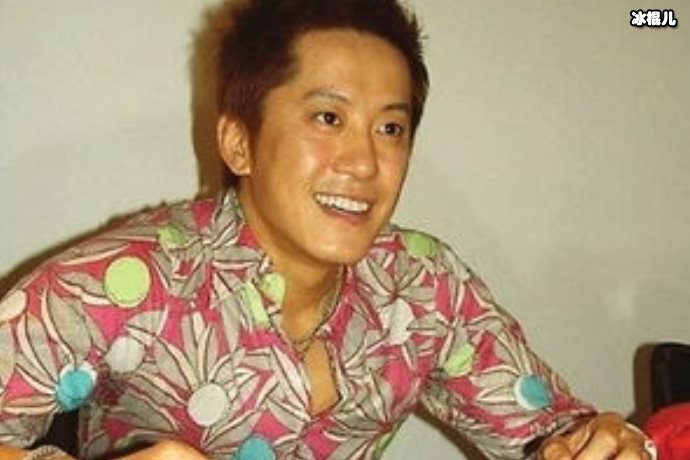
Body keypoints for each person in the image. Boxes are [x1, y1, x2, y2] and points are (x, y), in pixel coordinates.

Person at [0, 0, 656, 459]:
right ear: (239, 143)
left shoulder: (424, 287)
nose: (365, 162)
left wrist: (602, 444)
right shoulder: (121, 280)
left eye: (390, 128)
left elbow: (550, 433)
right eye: (328, 118)